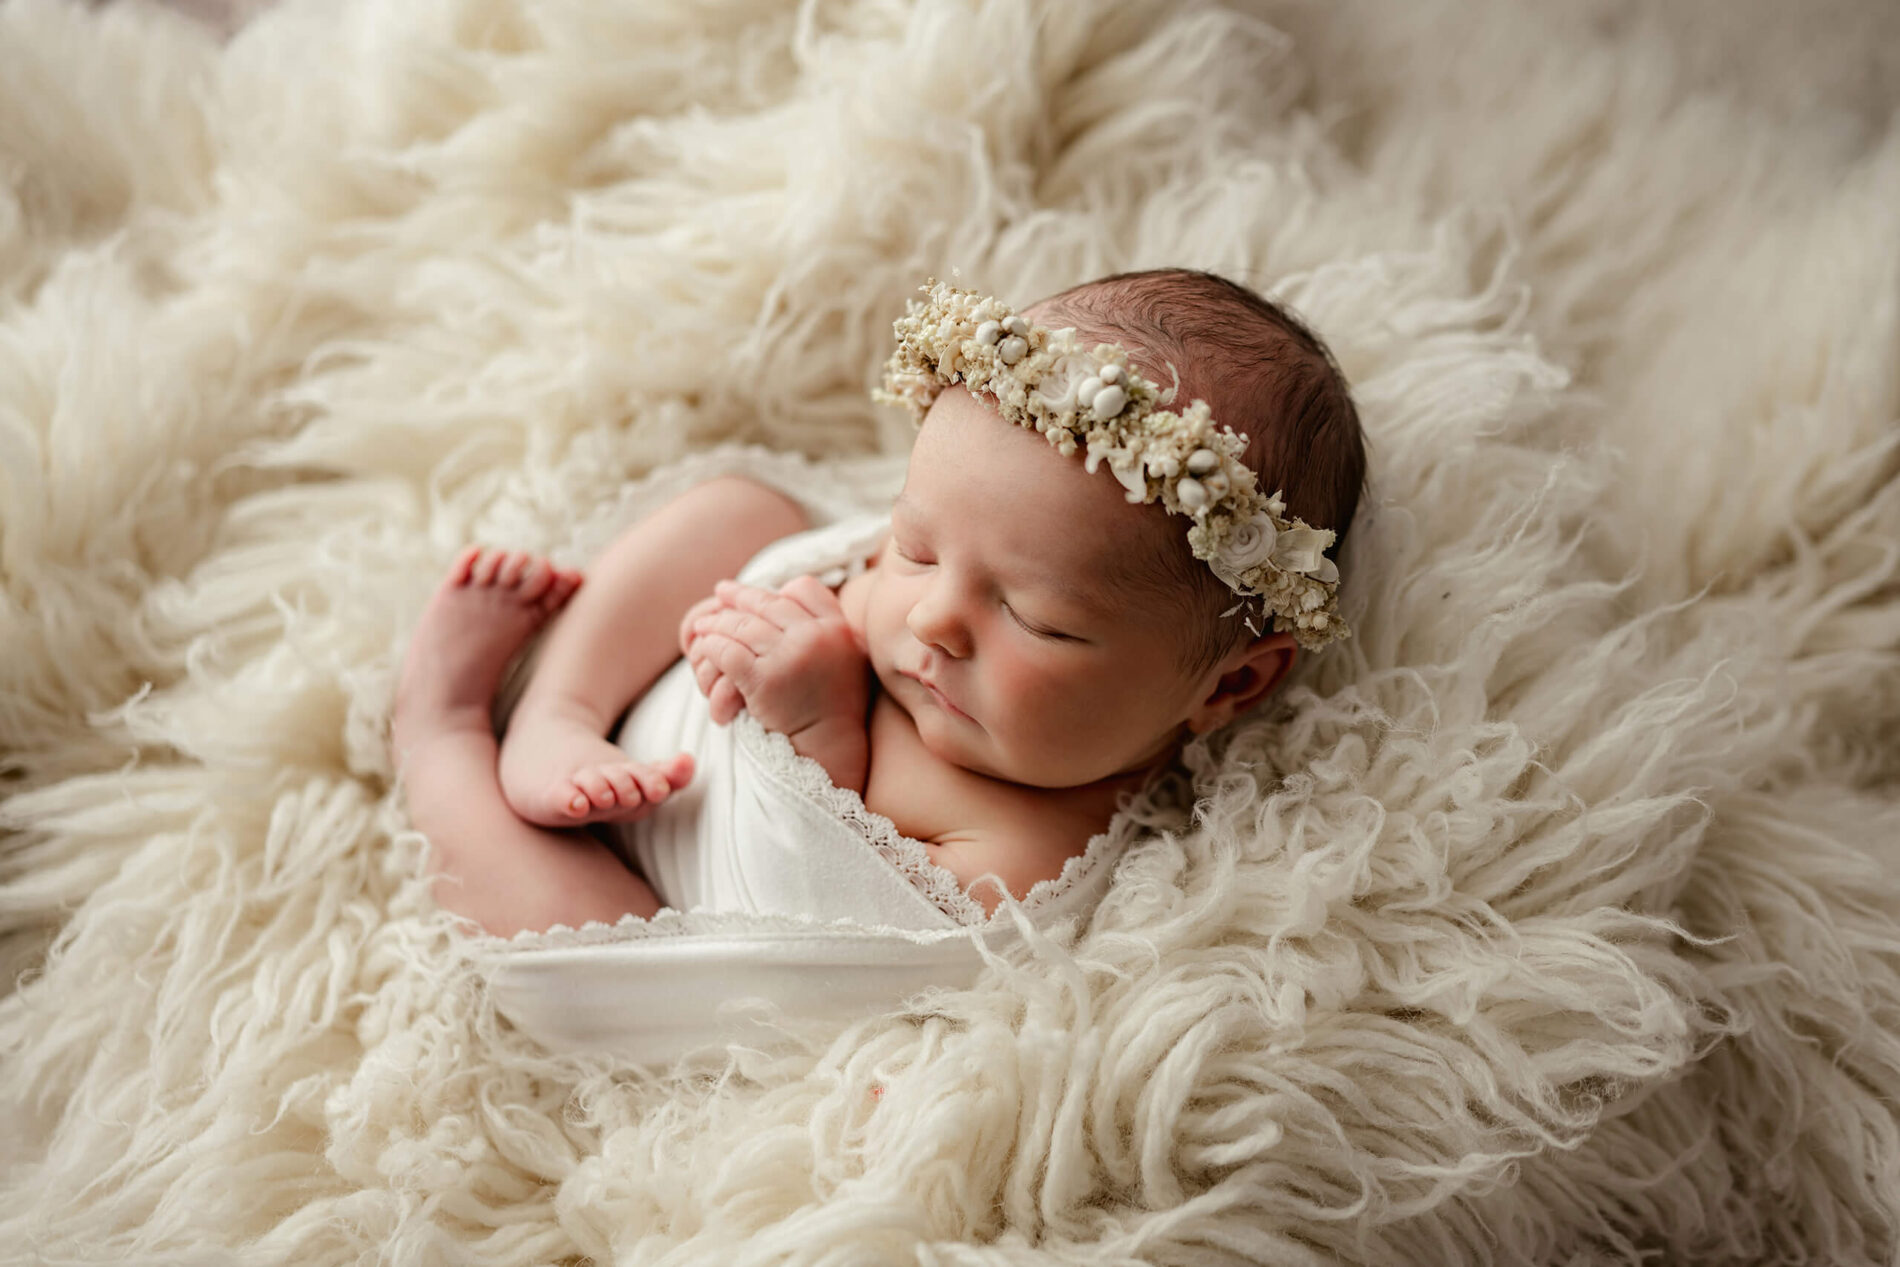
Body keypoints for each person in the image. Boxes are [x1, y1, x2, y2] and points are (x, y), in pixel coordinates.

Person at [390, 270, 1367, 938]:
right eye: (915, 544)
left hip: (666, 892)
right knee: (743, 509)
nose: (935, 617)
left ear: (1232, 680)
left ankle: (440, 732)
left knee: (578, 949)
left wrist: (820, 736)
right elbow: (823, 566)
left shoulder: (1033, 848)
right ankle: (560, 710)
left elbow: (813, 931)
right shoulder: (962, 582)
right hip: (669, 711)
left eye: (1036, 619)